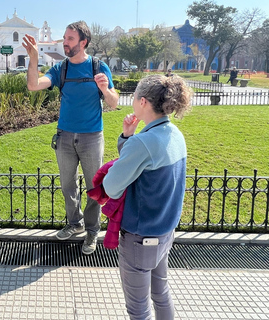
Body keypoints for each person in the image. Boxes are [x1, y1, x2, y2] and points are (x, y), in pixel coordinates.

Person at [22, 21, 119, 255]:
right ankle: (75, 223)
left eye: (70, 39)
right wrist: (34, 58)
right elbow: (34, 85)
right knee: (67, 186)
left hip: (91, 137)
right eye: (64, 38)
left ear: (83, 42)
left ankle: (92, 230)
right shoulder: (60, 69)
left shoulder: (98, 66)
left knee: (94, 186)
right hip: (64, 137)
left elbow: (114, 103)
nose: (65, 42)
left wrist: (105, 89)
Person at [101, 74, 192, 319]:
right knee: (161, 293)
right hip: (164, 232)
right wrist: (128, 138)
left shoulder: (143, 143)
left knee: (138, 309)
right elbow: (139, 163)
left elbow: (111, 186)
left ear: (142, 102)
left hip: (141, 238)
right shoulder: (175, 134)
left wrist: (131, 142)